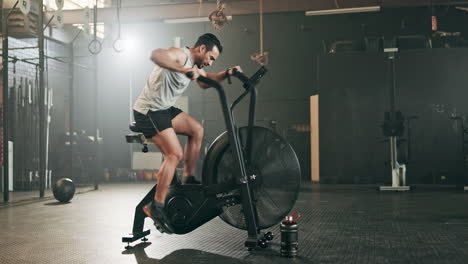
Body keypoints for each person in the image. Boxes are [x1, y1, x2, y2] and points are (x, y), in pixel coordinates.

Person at [132, 33, 242, 232]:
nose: (210, 62)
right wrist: (182, 69)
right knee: (174, 154)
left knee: (197, 130)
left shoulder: (196, 67)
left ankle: (188, 179)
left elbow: (205, 81)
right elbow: (155, 55)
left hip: (164, 109)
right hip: (148, 111)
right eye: (211, 58)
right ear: (201, 49)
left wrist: (227, 73)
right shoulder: (180, 55)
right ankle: (156, 206)